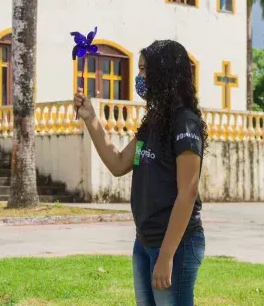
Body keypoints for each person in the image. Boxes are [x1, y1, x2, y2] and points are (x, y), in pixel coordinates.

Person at [74, 40, 207, 306]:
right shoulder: (154, 122)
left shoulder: (185, 123)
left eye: (145, 70)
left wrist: (167, 256)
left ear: (164, 72)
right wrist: (91, 119)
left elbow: (187, 193)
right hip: (145, 241)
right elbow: (119, 162)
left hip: (175, 246)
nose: (139, 77)